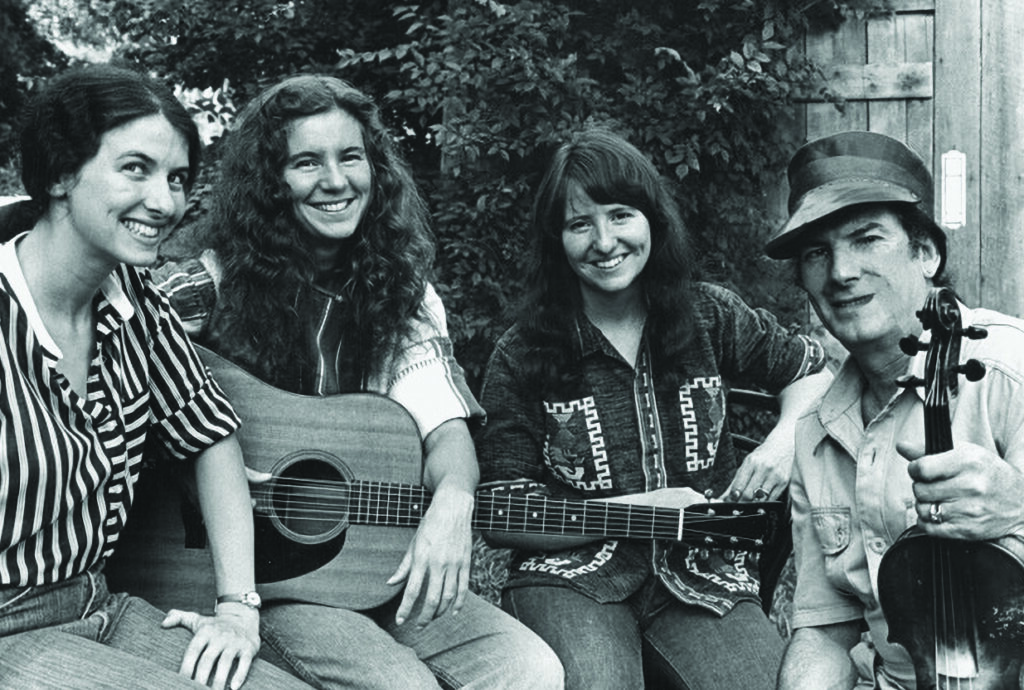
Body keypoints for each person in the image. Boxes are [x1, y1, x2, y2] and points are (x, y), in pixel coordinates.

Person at [154, 74, 563, 689]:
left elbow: (443, 426)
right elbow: (109, 391)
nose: (337, 181)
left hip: (376, 565)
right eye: (305, 162)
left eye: (351, 156)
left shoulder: (404, 294)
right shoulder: (203, 291)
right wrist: (192, 462)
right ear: (270, 183)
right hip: (257, 581)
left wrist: (454, 499)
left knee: (530, 671)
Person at [473, 128, 832, 690]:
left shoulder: (708, 316)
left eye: (620, 215)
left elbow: (811, 372)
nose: (603, 240)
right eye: (578, 224)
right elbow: (501, 511)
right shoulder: (524, 352)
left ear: (651, 220)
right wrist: (642, 509)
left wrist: (783, 441)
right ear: (555, 241)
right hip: (570, 579)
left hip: (703, 577)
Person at [0, 64, 311, 689]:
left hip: (96, 606)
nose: (166, 202)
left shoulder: (136, 301)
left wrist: (237, 609)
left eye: (176, 178)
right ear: (62, 172)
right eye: (135, 169)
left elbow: (210, 433)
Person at [769, 131, 1024, 688]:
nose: (840, 272)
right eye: (817, 252)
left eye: (866, 239)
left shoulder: (1011, 371)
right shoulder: (817, 431)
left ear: (926, 252)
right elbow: (826, 631)